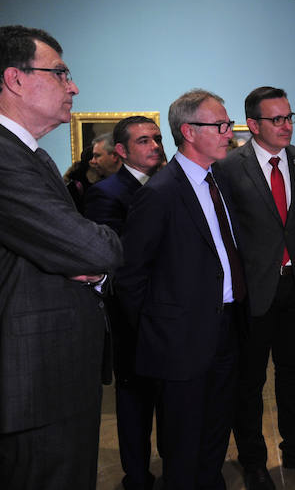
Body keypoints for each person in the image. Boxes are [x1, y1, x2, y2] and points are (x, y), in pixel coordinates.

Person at [0, 25, 122, 489]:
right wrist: (94, 254)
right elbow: (96, 248)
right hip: (35, 383)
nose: (73, 86)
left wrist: (85, 263)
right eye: (60, 73)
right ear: (15, 79)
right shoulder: (5, 156)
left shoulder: (31, 155)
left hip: (54, 374)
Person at [116, 90, 246, 490]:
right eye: (220, 125)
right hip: (180, 341)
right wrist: (160, 335)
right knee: (183, 439)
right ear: (189, 131)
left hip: (226, 326)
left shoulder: (219, 178)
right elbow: (130, 276)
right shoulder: (160, 193)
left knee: (216, 428)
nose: (229, 132)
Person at [218, 87, 295, 489]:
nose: (286, 126)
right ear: (253, 125)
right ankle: (253, 460)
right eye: (277, 119)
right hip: (254, 292)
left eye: (290, 117)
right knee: (249, 380)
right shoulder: (230, 167)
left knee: (292, 372)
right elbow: (225, 233)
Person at [84, 115, 164, 490]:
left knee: (170, 394)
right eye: (144, 141)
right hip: (131, 313)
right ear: (122, 150)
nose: (154, 147)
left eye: (157, 139)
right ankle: (137, 474)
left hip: (170, 311)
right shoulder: (107, 193)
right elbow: (116, 256)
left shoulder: (169, 184)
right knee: (134, 399)